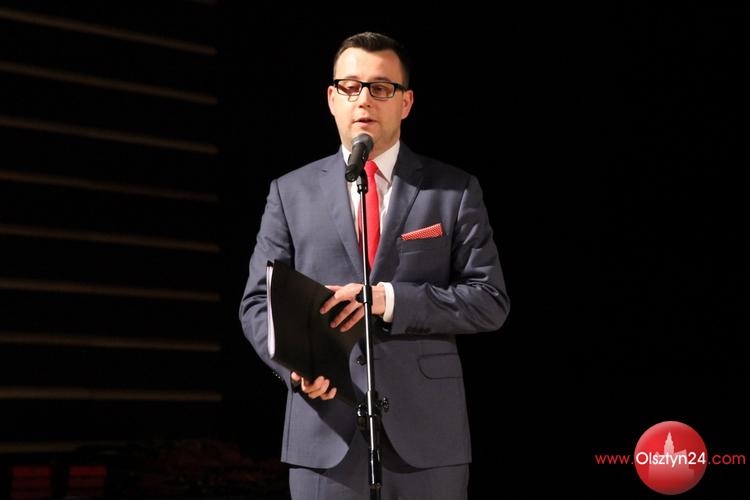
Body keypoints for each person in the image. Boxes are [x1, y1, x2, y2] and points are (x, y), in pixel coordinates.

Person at [239, 31, 509, 499]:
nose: (364, 99)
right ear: (332, 99)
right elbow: (257, 302)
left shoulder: (454, 189)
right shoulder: (289, 191)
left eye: (381, 87)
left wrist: (387, 299)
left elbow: (489, 301)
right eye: (350, 86)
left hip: (428, 436)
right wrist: (295, 368)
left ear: (406, 103)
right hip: (324, 432)